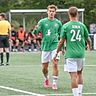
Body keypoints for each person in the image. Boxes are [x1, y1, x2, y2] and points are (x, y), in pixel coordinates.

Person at [54, 6, 91, 96]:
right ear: (77, 14)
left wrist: (57, 52)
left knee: (73, 76)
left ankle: (76, 95)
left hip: (70, 55)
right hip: (81, 54)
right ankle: (80, 93)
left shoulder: (66, 26)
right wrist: (89, 46)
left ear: (69, 14)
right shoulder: (82, 26)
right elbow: (88, 39)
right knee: (80, 74)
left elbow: (61, 41)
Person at [32, 4, 62, 90]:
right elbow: (35, 33)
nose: (51, 13)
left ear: (55, 12)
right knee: (44, 67)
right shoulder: (42, 22)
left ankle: (54, 83)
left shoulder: (58, 23)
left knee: (55, 64)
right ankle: (46, 78)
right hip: (45, 46)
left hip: (55, 45)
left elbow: (61, 36)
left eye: (53, 11)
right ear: (47, 12)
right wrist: (35, 29)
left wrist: (62, 47)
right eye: (50, 11)